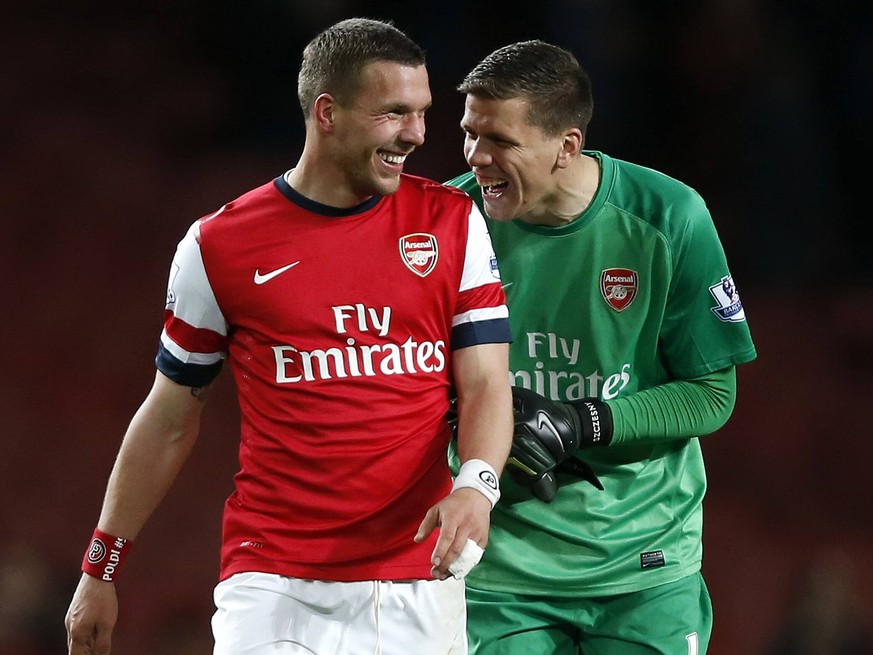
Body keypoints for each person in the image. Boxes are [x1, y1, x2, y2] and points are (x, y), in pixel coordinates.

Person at [64, 18, 514, 655]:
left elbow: (486, 380)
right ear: (327, 112)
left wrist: (477, 482)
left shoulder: (451, 222)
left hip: (416, 580)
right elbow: (169, 415)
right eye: (394, 113)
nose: (416, 134)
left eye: (421, 113)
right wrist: (100, 568)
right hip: (273, 582)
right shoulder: (218, 245)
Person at [445, 40, 758, 654]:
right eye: (469, 133)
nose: (477, 157)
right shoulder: (446, 223)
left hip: (644, 568)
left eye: (500, 141)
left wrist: (583, 421)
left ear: (567, 145)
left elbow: (712, 395)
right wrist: (476, 411)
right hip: (500, 574)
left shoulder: (669, 219)